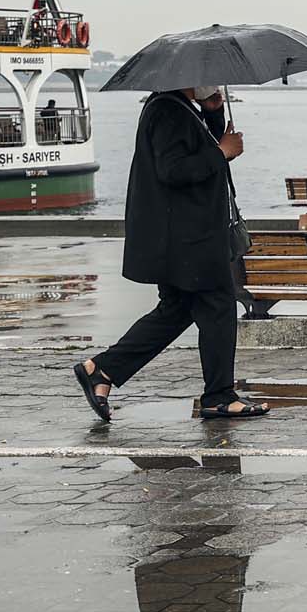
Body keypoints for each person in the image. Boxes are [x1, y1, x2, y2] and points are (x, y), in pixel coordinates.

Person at [72, 85, 270, 421]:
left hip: (183, 237)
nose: (211, 82)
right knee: (219, 307)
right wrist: (221, 153)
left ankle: (102, 370)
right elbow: (174, 170)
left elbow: (196, 148)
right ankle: (219, 396)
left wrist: (212, 112)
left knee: (177, 311)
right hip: (187, 239)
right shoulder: (167, 110)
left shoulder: (179, 106)